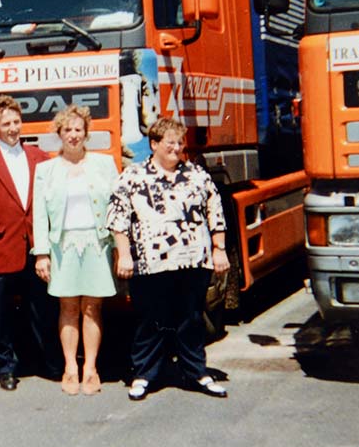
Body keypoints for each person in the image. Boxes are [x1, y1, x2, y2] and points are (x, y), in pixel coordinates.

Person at [107, 117, 230, 401]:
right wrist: (123, 254)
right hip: (151, 264)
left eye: (180, 143)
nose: (176, 148)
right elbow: (117, 218)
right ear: (154, 144)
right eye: (170, 143)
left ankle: (197, 372)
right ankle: (144, 374)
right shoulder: (134, 176)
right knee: (152, 320)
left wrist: (219, 248)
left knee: (191, 319)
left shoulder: (197, 174)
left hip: (192, 261)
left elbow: (216, 210)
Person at [0, 95, 63, 391]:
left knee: (42, 309)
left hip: (36, 247)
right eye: (6, 123)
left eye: (16, 121)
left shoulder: (39, 157)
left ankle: (52, 363)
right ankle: (5, 366)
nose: (12, 128)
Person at [32, 105, 118, 396]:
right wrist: (41, 253)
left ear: (86, 133)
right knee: (68, 307)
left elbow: (117, 208)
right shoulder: (45, 170)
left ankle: (90, 368)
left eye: (78, 130)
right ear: (59, 133)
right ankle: (70, 367)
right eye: (67, 130)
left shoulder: (104, 165)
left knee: (93, 307)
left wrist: (120, 248)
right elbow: (39, 215)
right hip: (62, 245)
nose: (73, 135)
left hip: (96, 243)